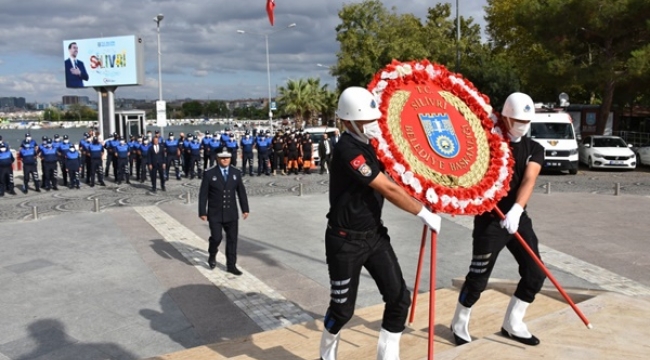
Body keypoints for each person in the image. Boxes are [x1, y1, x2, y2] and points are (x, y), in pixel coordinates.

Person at [319, 87, 442, 360]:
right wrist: (422, 212)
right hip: (344, 241)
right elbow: (387, 188)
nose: (373, 125)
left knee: (399, 299)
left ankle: (387, 356)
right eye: (366, 121)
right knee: (342, 311)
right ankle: (326, 353)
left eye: (374, 119)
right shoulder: (348, 150)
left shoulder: (371, 145)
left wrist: (428, 189)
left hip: (374, 236)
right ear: (348, 122)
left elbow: (401, 173)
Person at [451, 92, 546, 347]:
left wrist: (516, 209)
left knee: (536, 273)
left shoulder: (534, 148)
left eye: (526, 120)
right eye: (516, 120)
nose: (522, 125)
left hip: (516, 217)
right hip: (490, 219)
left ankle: (513, 323)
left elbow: (529, 179)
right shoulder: (488, 142)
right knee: (478, 279)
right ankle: (459, 321)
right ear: (504, 117)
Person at [198, 149, 250, 276]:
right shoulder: (210, 173)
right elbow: (203, 194)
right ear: (217, 158)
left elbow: (241, 192)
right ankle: (212, 252)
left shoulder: (236, 172)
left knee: (232, 240)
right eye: (222, 158)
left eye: (227, 157)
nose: (225, 160)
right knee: (217, 237)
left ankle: (231, 265)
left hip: (231, 213)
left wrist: (245, 209)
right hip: (215, 213)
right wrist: (202, 211)